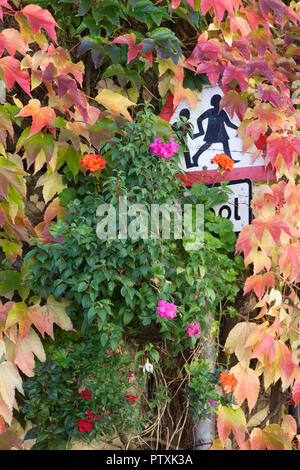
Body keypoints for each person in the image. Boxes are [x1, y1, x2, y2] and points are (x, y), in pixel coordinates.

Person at [191, 94, 240, 167]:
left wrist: (238, 129)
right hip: (212, 132)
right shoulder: (210, 111)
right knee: (208, 144)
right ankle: (195, 156)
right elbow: (199, 119)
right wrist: (201, 131)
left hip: (221, 132)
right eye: (219, 101)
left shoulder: (222, 112)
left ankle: (230, 159)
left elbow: (228, 123)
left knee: (225, 142)